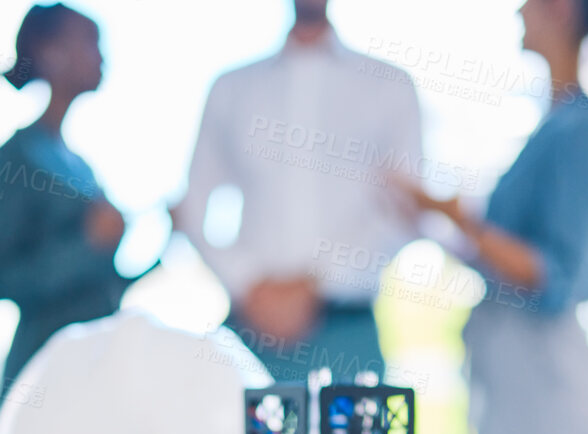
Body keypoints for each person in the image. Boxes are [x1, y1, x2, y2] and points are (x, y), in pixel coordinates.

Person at [403, 0, 588, 434]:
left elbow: (552, 276)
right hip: (515, 360)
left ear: (561, 8)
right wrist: (437, 224)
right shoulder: (555, 124)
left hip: (543, 366)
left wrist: (458, 218)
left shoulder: (584, 131)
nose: (517, 10)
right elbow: (509, 257)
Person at [178, 0, 423, 384]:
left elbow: (406, 212)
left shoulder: (390, 85)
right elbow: (193, 206)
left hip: (347, 334)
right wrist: (248, 284)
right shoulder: (231, 87)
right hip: (252, 334)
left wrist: (314, 284)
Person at [0, 4, 130, 402]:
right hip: (42, 374)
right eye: (90, 43)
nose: (102, 57)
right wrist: (88, 242)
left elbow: (100, 288)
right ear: (51, 53)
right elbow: (1, 278)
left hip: (91, 370)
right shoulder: (15, 157)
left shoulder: (81, 166)